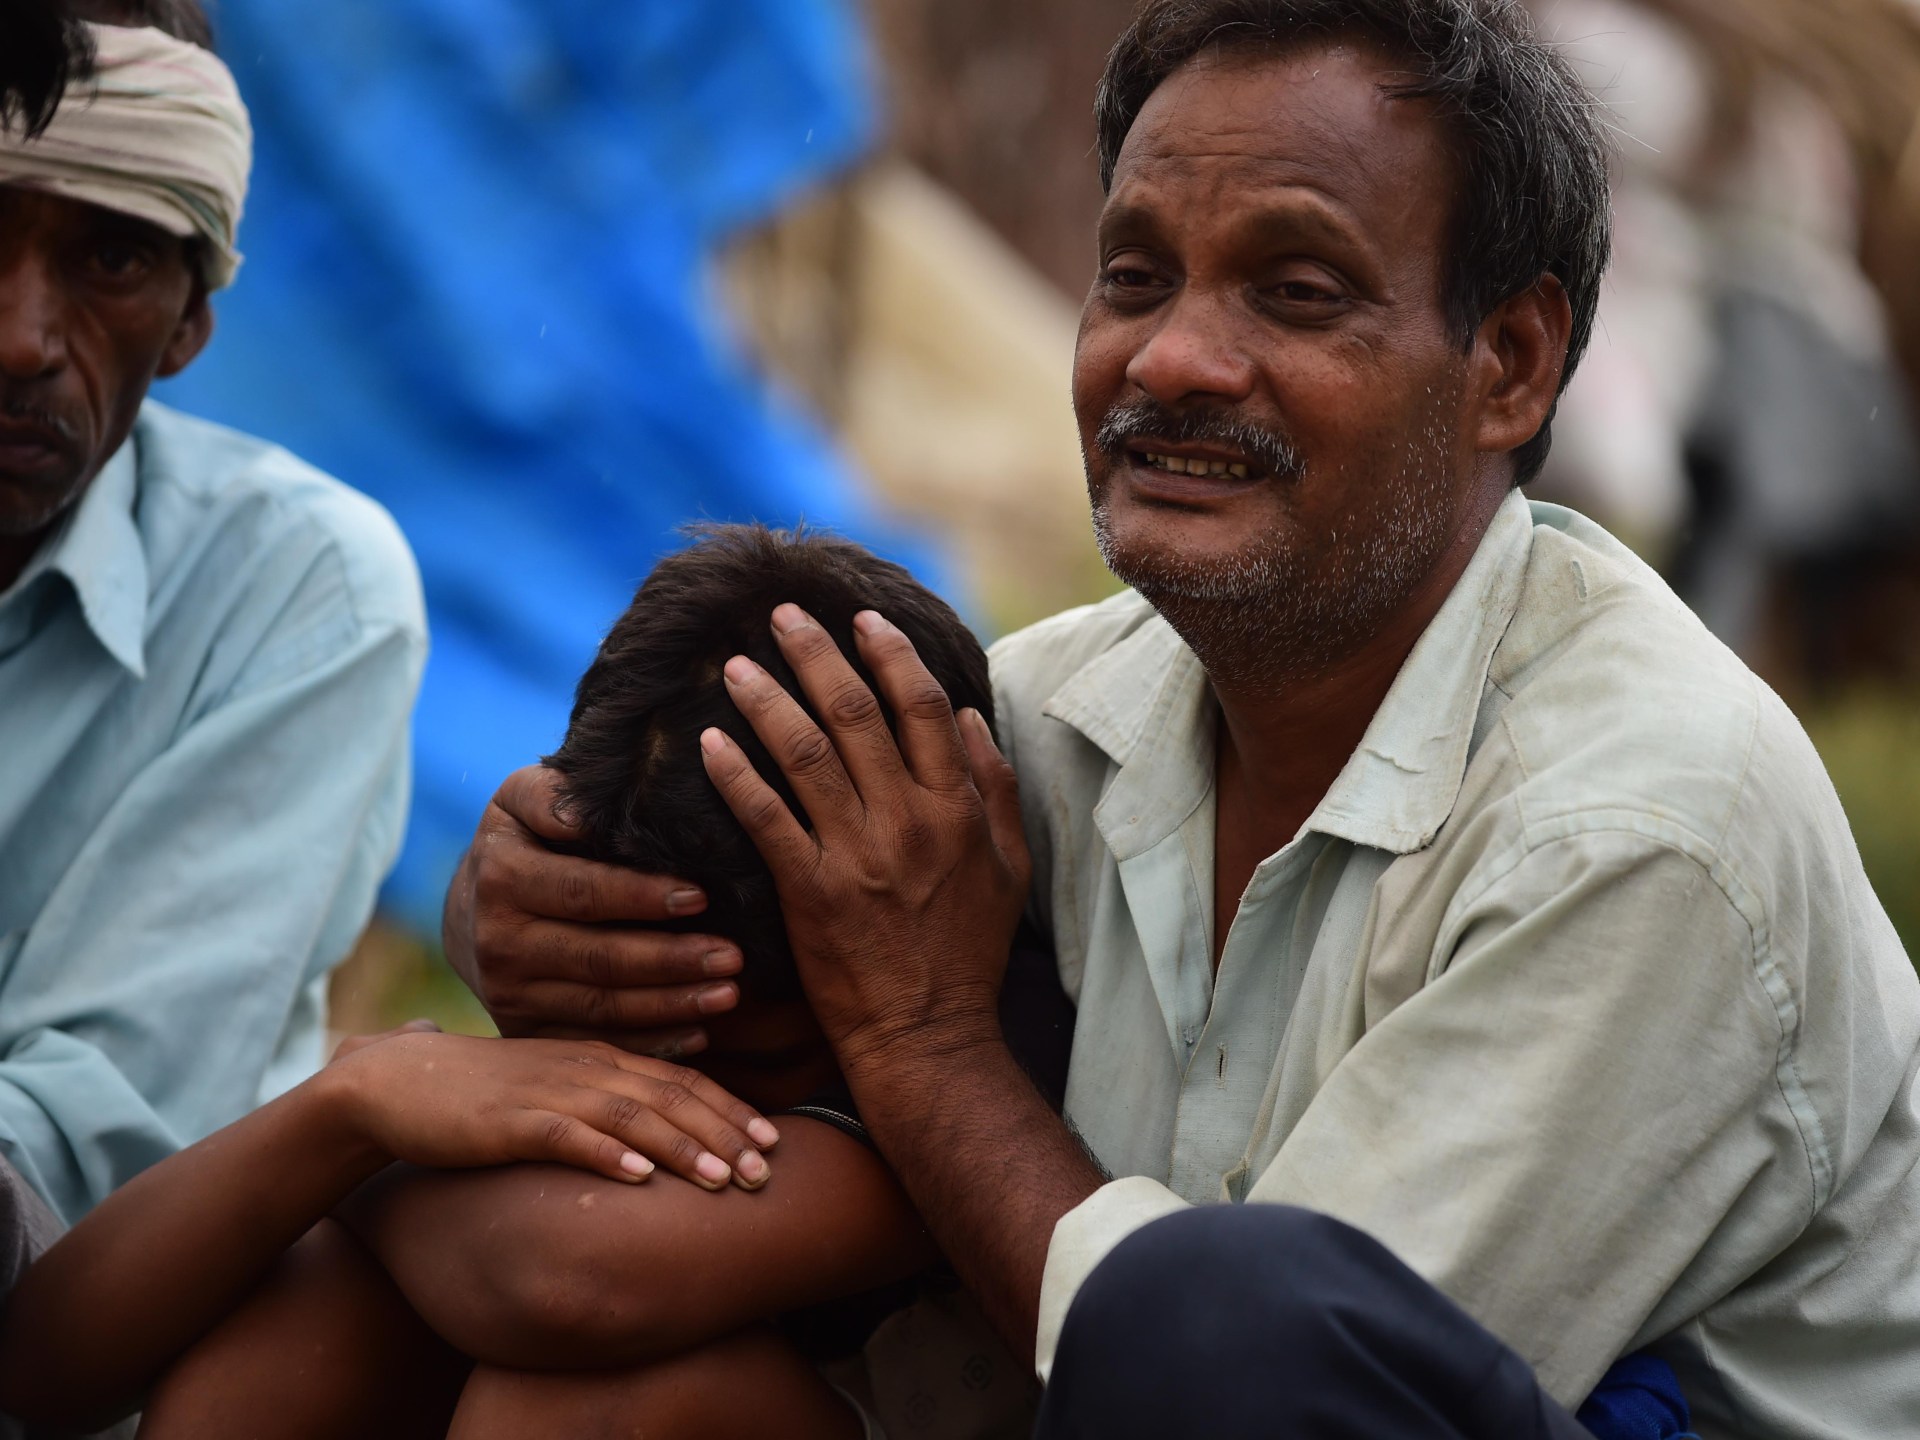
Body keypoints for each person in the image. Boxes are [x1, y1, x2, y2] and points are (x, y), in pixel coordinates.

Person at [449, 2, 1920, 1437]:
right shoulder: (1059, 711)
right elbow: (685, 927)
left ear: (1513, 362)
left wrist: (925, 1041)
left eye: (1296, 291)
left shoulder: (1641, 830)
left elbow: (1248, 1386)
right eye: (1136, 278)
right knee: (590, 1396)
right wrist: (531, 902)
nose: (1170, 362)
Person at [0, 525, 1060, 1440]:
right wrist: (346, 1104)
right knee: (306, 1315)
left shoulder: (962, 1060)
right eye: (657, 1037)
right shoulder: (633, 999)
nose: (705, 1094)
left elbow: (565, 1283)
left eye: (765, 1057)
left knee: (594, 1409)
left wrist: (368, 1137)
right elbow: (43, 1367)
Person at [0, 0, 426, 1402]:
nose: (21, 338)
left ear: (190, 323)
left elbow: (70, 1165)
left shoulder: (300, 593)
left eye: (111, 256)